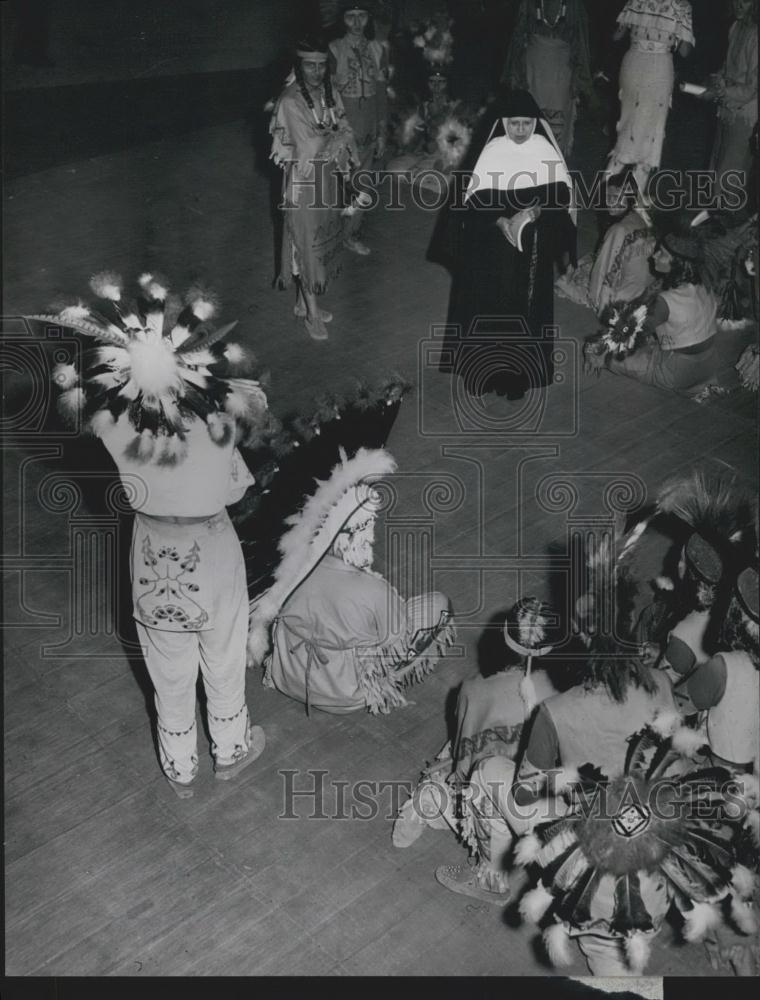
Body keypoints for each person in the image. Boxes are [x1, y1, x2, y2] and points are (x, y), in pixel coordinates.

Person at [37, 273, 270, 797]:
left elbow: (99, 398)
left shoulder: (109, 427)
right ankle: (230, 751)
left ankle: (180, 768)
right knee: (223, 654)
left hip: (150, 554)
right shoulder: (221, 426)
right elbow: (236, 490)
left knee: (168, 668)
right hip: (212, 550)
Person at [247, 447, 455, 714]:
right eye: (366, 526)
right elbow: (394, 642)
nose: (370, 535)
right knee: (439, 606)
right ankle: (371, 688)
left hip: (284, 675)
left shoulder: (291, 564)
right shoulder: (375, 590)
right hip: (343, 694)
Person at [393, 598, 575, 901]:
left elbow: (466, 767)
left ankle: (481, 863)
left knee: (446, 775)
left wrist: (450, 765)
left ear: (502, 638)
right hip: (564, 815)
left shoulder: (475, 689)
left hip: (506, 812)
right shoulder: (573, 689)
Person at [445, 88, 577, 399]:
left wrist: (534, 210)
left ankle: (519, 375)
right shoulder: (493, 152)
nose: (520, 131)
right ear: (505, 123)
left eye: (526, 124)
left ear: (535, 124)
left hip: (531, 253)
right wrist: (500, 220)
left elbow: (561, 197)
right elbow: (474, 201)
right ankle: (486, 372)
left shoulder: (545, 151)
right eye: (515, 124)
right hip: (493, 252)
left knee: (525, 310)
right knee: (491, 310)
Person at [270, 37, 359, 341]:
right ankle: (311, 314)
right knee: (307, 243)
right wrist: (336, 138)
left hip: (329, 178)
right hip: (305, 182)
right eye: (310, 65)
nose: (317, 71)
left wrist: (337, 138)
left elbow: (346, 127)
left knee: (322, 241)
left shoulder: (330, 91)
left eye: (322, 65)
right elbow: (310, 144)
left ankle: (301, 303)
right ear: (299, 64)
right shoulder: (290, 101)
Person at [584, 212, 721, 397]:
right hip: (709, 365)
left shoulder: (665, 301)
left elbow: (627, 334)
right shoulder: (704, 284)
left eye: (662, 254)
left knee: (610, 355)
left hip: (677, 374)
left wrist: (596, 350)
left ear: (677, 263)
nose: (654, 256)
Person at [605, 0, 694, 194]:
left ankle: (615, 198)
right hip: (653, 69)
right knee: (645, 137)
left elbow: (616, 36)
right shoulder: (680, 6)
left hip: (638, 66)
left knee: (634, 132)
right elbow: (685, 51)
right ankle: (620, 200)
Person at [330, 3, 390, 255]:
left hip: (368, 123)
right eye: (350, 16)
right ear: (342, 19)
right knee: (337, 181)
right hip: (343, 123)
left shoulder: (378, 49)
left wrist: (382, 130)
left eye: (362, 16)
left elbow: (381, 94)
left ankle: (351, 234)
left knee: (363, 182)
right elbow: (329, 94)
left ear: (369, 18)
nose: (356, 22)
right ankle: (328, 231)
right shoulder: (334, 49)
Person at [555, 171, 655, 314]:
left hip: (622, 299)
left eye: (616, 198)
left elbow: (603, 269)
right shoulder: (638, 218)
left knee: (572, 276)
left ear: (630, 198)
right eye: (608, 196)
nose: (610, 202)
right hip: (644, 292)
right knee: (590, 261)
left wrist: (594, 298)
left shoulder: (618, 230)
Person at [501, 0, 592, 156]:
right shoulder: (528, 3)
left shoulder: (573, 5)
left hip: (561, 70)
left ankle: (553, 162)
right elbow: (519, 34)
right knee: (531, 114)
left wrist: (579, 76)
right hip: (533, 69)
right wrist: (517, 71)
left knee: (557, 121)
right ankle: (529, 158)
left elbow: (580, 38)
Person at [701, 0, 758, 184]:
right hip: (726, 109)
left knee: (729, 176)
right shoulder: (735, 27)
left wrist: (720, 91)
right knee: (716, 169)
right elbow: (727, 68)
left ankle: (723, 211)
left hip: (745, 115)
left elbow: (752, 88)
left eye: (746, 1)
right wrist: (712, 82)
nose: (739, 4)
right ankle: (713, 211)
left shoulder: (756, 35)